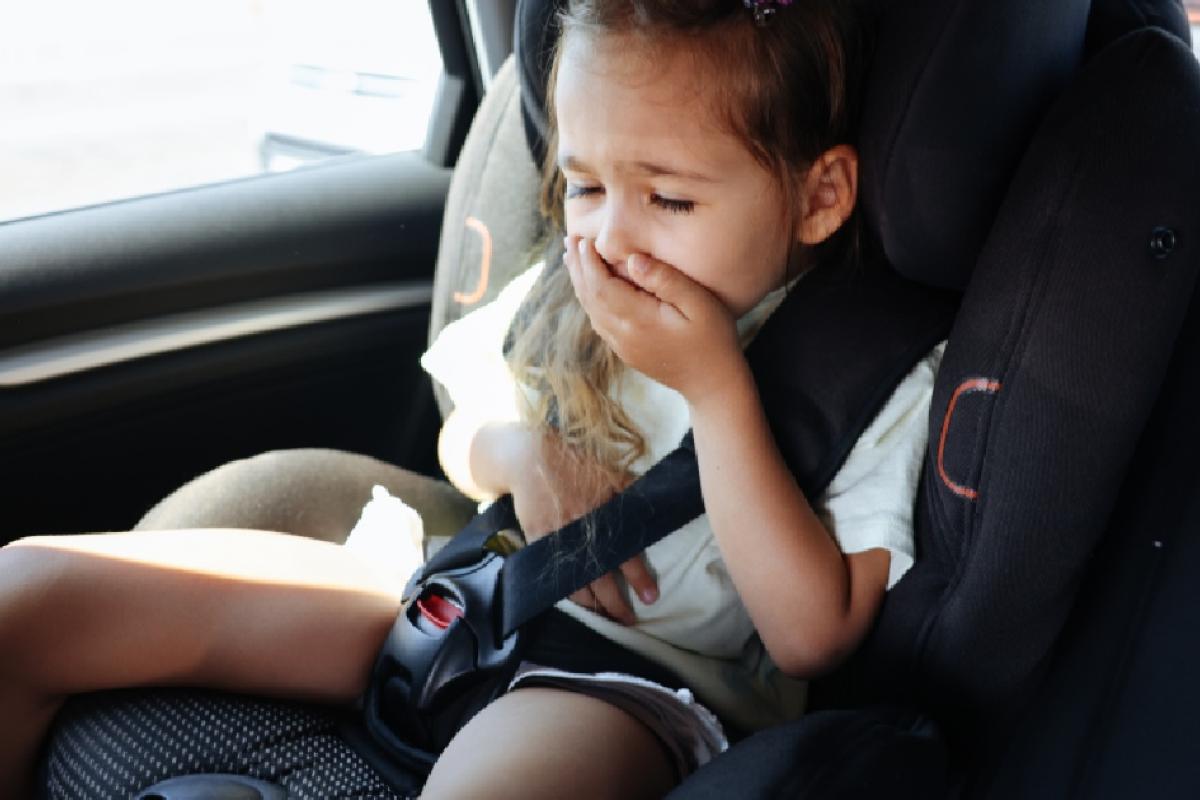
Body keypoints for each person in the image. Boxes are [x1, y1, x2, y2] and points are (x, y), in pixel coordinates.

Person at [0, 1, 944, 798]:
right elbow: (464, 426)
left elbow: (811, 633)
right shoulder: (577, 284)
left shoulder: (873, 376)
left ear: (820, 196)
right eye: (583, 185)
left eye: (672, 201)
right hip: (457, 589)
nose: (612, 238)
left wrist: (714, 387)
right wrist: (520, 456)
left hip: (629, 684)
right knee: (26, 596)